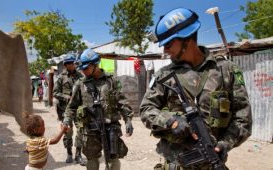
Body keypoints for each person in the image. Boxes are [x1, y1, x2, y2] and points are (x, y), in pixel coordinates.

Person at [141, 7, 252, 169]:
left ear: (186, 39)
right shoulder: (164, 75)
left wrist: (225, 144)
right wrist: (171, 121)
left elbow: (243, 118)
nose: (164, 50)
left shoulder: (226, 71)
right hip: (175, 163)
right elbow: (146, 109)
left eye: (169, 43)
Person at [63, 49, 134, 170]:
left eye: (85, 68)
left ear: (95, 65)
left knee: (113, 160)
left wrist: (128, 120)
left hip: (111, 127)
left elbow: (123, 103)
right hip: (90, 130)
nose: (83, 71)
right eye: (82, 69)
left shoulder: (111, 81)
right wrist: (66, 120)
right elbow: (71, 106)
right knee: (92, 160)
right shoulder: (80, 84)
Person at [53, 54, 86, 165]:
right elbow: (55, 93)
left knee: (81, 130)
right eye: (67, 64)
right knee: (67, 131)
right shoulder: (61, 77)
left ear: (74, 63)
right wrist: (66, 97)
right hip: (65, 109)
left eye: (71, 63)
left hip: (78, 109)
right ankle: (69, 154)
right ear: (65, 65)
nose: (69, 65)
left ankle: (78, 155)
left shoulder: (81, 76)